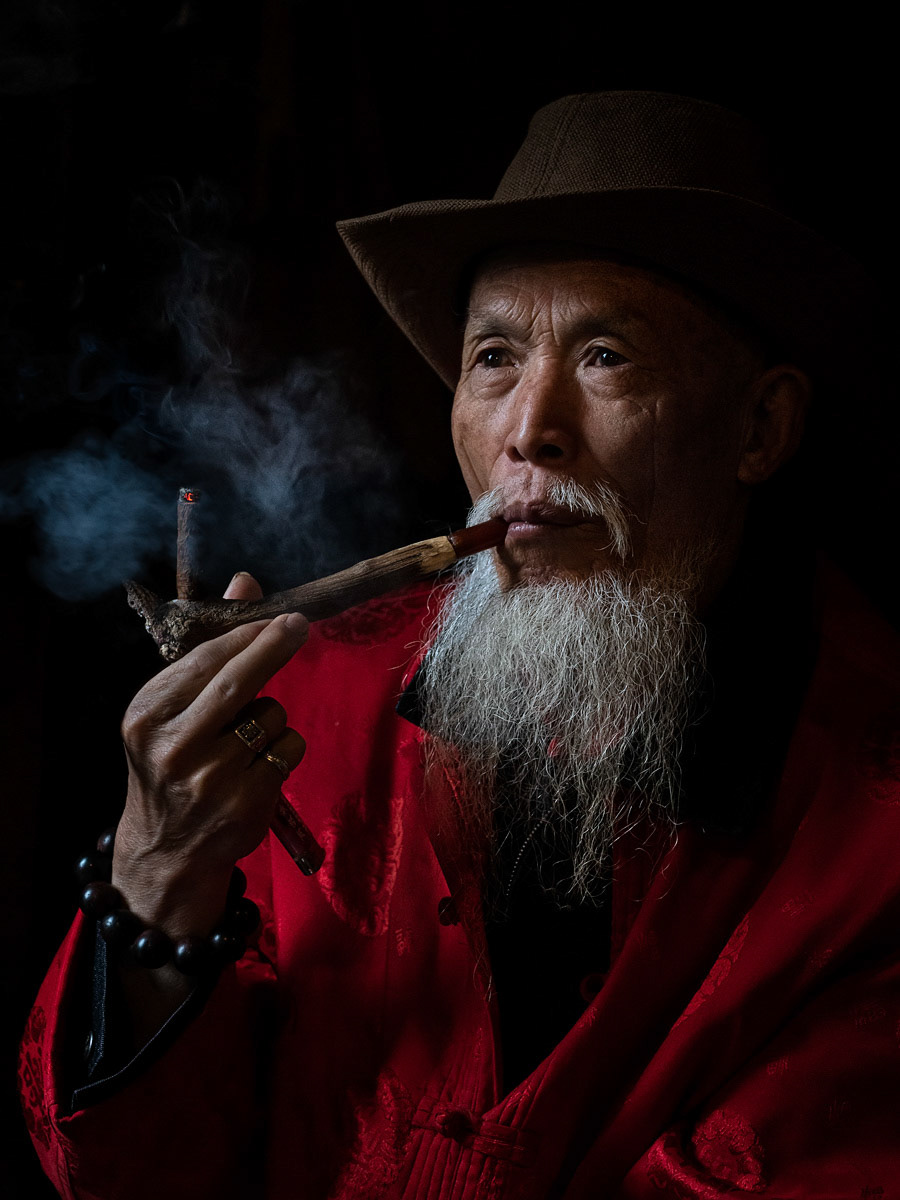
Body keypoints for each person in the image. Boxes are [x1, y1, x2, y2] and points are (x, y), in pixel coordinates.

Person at [19, 91, 900, 1198]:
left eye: (607, 356)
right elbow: (129, 1171)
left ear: (760, 428)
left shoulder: (872, 809)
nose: (529, 428)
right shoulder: (317, 701)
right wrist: (157, 876)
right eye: (493, 358)